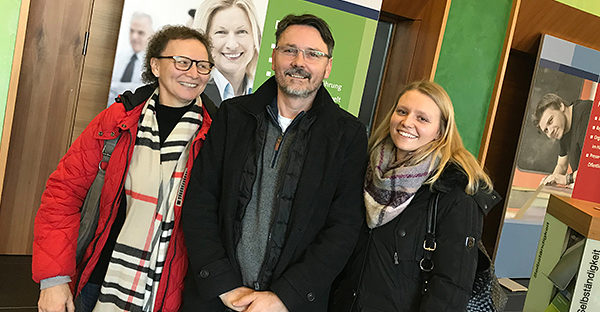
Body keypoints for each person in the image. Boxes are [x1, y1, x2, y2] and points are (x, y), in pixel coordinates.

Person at [181, 14, 368, 312]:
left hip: (289, 305)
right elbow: (200, 202)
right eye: (289, 50)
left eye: (313, 54)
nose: (299, 61)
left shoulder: (348, 135)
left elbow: (343, 229)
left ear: (328, 66)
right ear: (273, 56)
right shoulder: (233, 116)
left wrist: (283, 297)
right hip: (216, 298)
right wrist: (223, 284)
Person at [33, 25, 215, 312]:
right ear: (155, 65)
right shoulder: (118, 120)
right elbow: (63, 194)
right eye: (182, 62)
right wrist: (54, 279)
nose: (193, 73)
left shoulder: (216, 134)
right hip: (97, 282)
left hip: (170, 294)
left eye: (203, 66)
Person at [329, 81, 501, 311]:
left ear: (441, 131)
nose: (407, 122)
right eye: (402, 111)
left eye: (422, 118)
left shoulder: (456, 193)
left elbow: (451, 288)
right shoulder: (366, 170)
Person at [192, 0, 261, 106]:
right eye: (221, 32)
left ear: (255, 37)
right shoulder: (192, 93)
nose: (232, 45)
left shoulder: (266, 93)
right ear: (204, 39)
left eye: (241, 32)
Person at [533, 93, 592, 186]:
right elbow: (561, 165)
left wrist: (567, 179)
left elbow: (593, 168)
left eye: (550, 121)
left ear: (561, 106)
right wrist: (551, 179)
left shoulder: (586, 113)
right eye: (546, 130)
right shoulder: (563, 129)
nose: (551, 131)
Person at [107, 12, 154, 106]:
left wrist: (114, 86)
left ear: (151, 35)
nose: (134, 37)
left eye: (140, 33)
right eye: (132, 31)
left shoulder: (153, 65)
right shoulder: (118, 57)